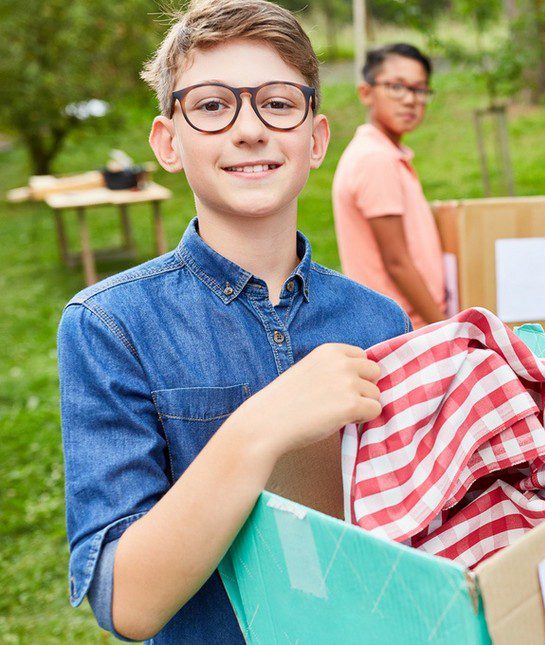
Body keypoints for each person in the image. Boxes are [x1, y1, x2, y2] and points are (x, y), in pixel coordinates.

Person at [57, 1, 409, 641]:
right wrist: (260, 428)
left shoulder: (378, 319)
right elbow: (129, 604)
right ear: (168, 142)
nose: (250, 130)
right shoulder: (110, 325)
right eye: (213, 106)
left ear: (316, 137)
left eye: (277, 103)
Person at [332, 43, 446, 328]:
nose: (410, 100)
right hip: (402, 329)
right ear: (366, 93)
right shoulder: (375, 159)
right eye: (397, 87)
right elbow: (396, 262)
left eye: (420, 89)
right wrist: (446, 329)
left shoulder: (385, 154)